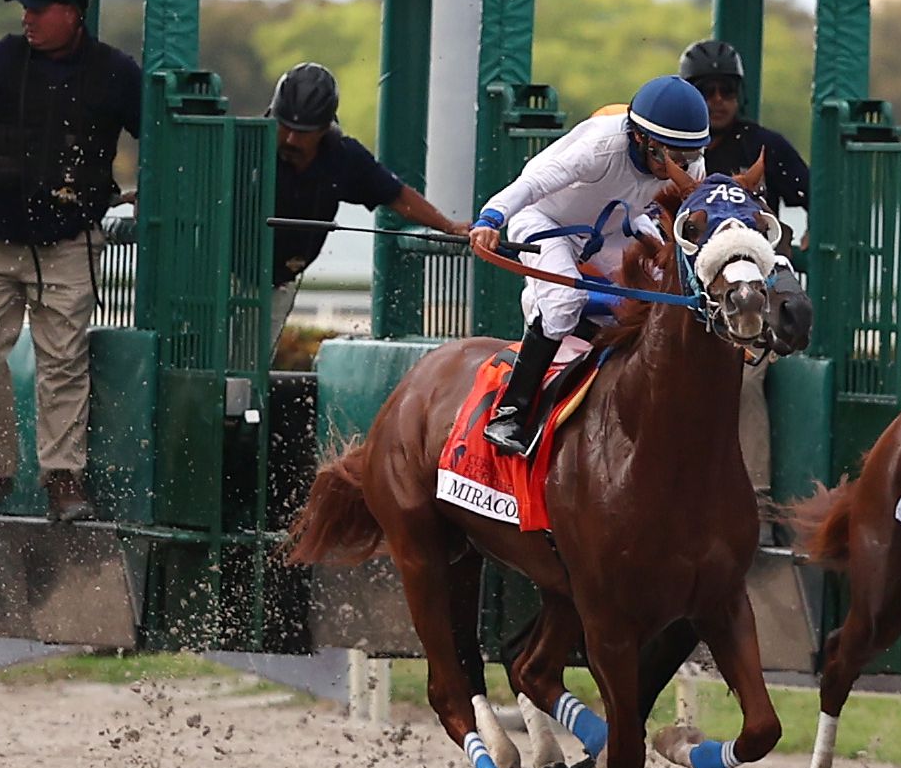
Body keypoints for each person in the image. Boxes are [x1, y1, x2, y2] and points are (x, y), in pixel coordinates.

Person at [0, 0, 147, 522]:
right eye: (22, 6)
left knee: (64, 361)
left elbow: (164, 135)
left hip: (70, 241)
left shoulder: (118, 73)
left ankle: (63, 479)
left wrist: (149, 191)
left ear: (73, 14)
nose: (25, 16)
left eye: (37, 7)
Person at [469, 75, 715, 458]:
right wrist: (490, 219)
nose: (680, 167)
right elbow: (531, 185)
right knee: (564, 302)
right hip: (546, 222)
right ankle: (511, 412)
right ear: (640, 138)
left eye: (689, 156)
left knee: (660, 295)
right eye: (670, 156)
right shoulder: (600, 147)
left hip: (616, 226)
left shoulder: (689, 164)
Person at [267, 63, 450, 295]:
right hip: (229, 272)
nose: (291, 140)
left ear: (324, 128)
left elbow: (399, 196)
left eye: (303, 132)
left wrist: (449, 227)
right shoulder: (247, 146)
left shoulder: (343, 158)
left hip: (280, 283)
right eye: (285, 127)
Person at [678, 39, 810, 238]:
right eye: (706, 91)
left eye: (727, 90)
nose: (718, 99)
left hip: (756, 260)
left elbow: (817, 197)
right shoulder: (671, 147)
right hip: (688, 259)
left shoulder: (766, 145)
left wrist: (815, 232)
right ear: (689, 96)